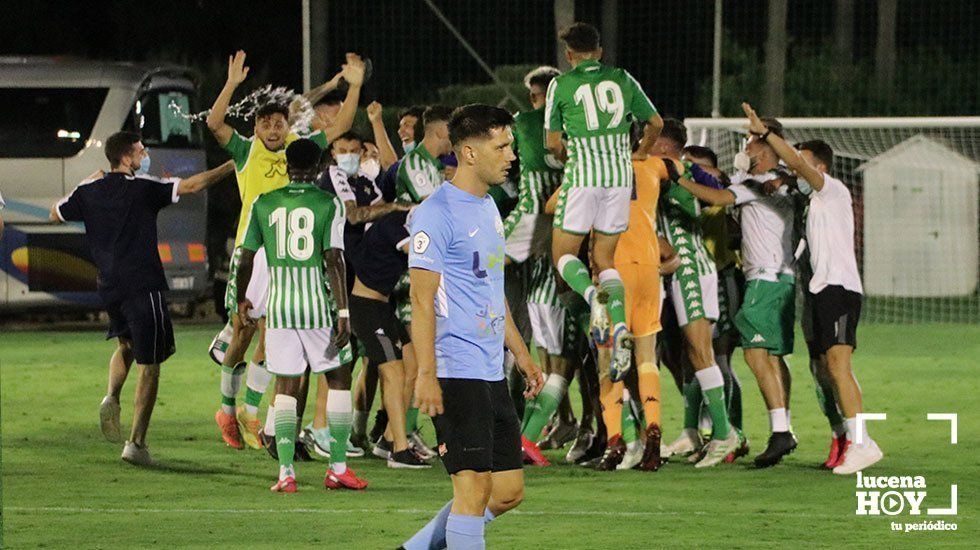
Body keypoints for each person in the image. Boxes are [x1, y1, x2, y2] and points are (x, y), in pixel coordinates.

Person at [206, 50, 364, 451]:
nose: (273, 128)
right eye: (266, 122)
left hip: (285, 260)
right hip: (251, 254)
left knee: (268, 337)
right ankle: (227, 407)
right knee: (243, 333)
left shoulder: (300, 145)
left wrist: (355, 86)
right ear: (257, 127)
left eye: (278, 122)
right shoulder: (246, 152)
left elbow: (343, 124)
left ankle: (251, 411)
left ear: (286, 125)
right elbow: (213, 122)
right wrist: (230, 85)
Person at [403, 105, 543, 550]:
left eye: (511, 146)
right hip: (454, 368)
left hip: (490, 369)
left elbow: (492, 291)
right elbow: (420, 299)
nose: (511, 156)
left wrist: (520, 353)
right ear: (468, 152)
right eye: (500, 146)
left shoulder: (487, 209)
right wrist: (426, 374)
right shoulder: (435, 213)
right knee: (471, 491)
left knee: (506, 492)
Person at [50, 131, 232, 465]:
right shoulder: (142, 186)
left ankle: (111, 396)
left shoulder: (90, 190)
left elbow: (55, 213)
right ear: (126, 157)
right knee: (150, 366)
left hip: (109, 285)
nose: (145, 155)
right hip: (142, 283)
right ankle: (136, 444)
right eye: (140, 150)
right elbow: (192, 186)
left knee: (126, 346)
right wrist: (232, 165)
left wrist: (84, 182)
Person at [741, 102, 882, 474]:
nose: (794, 169)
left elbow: (797, 167)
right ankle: (846, 437)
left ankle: (863, 442)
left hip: (839, 288)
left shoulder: (831, 190)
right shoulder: (809, 202)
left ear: (818, 167)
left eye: (800, 163)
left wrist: (766, 134)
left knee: (838, 365)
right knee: (822, 368)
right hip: (820, 291)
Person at [236, 138, 368, 492]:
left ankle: (285, 474)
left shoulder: (264, 203)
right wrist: (343, 311)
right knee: (339, 376)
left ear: (287, 165)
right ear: (319, 168)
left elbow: (246, 257)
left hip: (279, 310)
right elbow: (334, 259)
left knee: (286, 386)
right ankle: (337, 466)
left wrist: (241, 301)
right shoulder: (328, 203)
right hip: (317, 308)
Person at [675, 120, 801, 468]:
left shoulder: (761, 183)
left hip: (765, 279)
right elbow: (720, 179)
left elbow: (717, 195)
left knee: (755, 354)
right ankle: (783, 427)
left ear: (763, 149)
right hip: (783, 278)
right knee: (772, 356)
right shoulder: (782, 183)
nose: (743, 149)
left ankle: (780, 432)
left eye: (748, 142)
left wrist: (676, 178)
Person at [545, 22, 664, 381]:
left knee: (563, 257)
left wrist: (571, 159)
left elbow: (552, 143)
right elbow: (655, 123)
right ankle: (619, 327)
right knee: (605, 259)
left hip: (584, 176)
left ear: (569, 56)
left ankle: (592, 297)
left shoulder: (561, 84)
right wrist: (640, 151)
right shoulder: (624, 79)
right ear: (599, 51)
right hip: (619, 177)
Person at [650, 120, 743, 469]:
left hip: (689, 269)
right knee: (692, 355)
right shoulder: (673, 176)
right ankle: (694, 431)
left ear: (664, 147)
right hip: (682, 273)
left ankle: (724, 433)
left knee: (703, 352)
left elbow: (706, 190)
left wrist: (681, 172)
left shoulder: (677, 182)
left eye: (651, 140)